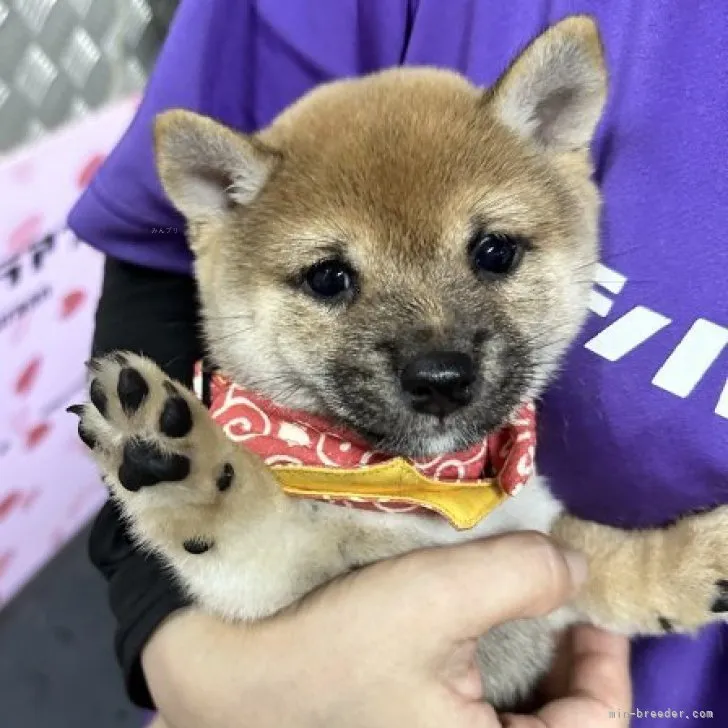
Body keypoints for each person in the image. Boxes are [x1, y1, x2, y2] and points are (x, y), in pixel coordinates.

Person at [67, 1, 728, 726]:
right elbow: (263, 586)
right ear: (222, 204)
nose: (438, 359)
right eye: (329, 279)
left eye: (493, 254)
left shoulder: (502, 462)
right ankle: (209, 502)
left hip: (606, 691)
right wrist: (201, 672)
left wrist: (663, 573)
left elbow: (561, 557)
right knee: (258, 543)